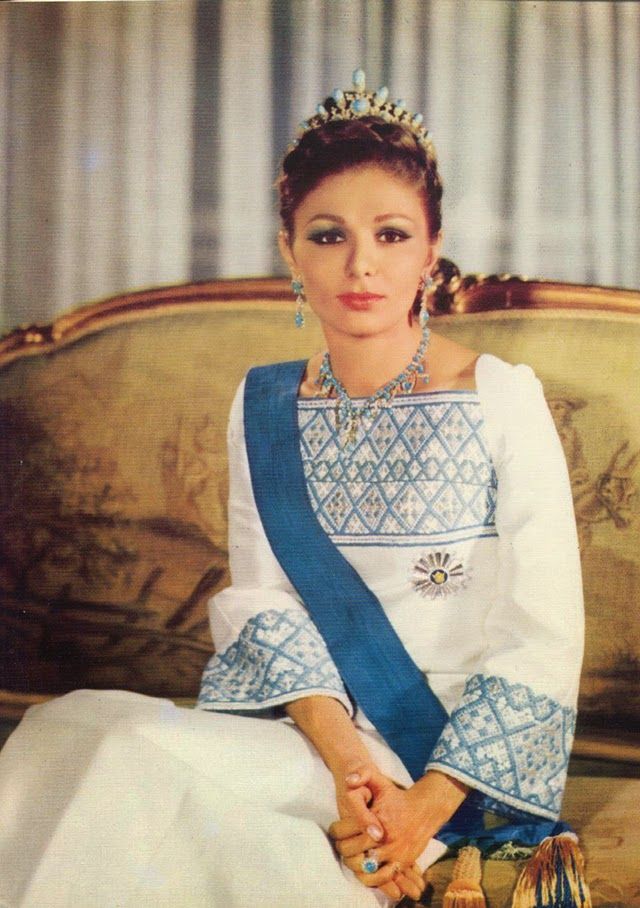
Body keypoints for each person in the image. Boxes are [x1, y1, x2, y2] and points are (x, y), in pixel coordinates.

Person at [0, 70, 589, 908]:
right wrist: (346, 761)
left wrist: (422, 807)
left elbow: (543, 631)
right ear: (288, 248)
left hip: (452, 770)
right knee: (70, 730)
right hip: (321, 746)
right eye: (327, 236)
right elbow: (264, 601)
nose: (360, 265)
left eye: (390, 235)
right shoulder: (265, 401)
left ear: (431, 247)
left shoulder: (499, 394)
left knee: (129, 765)